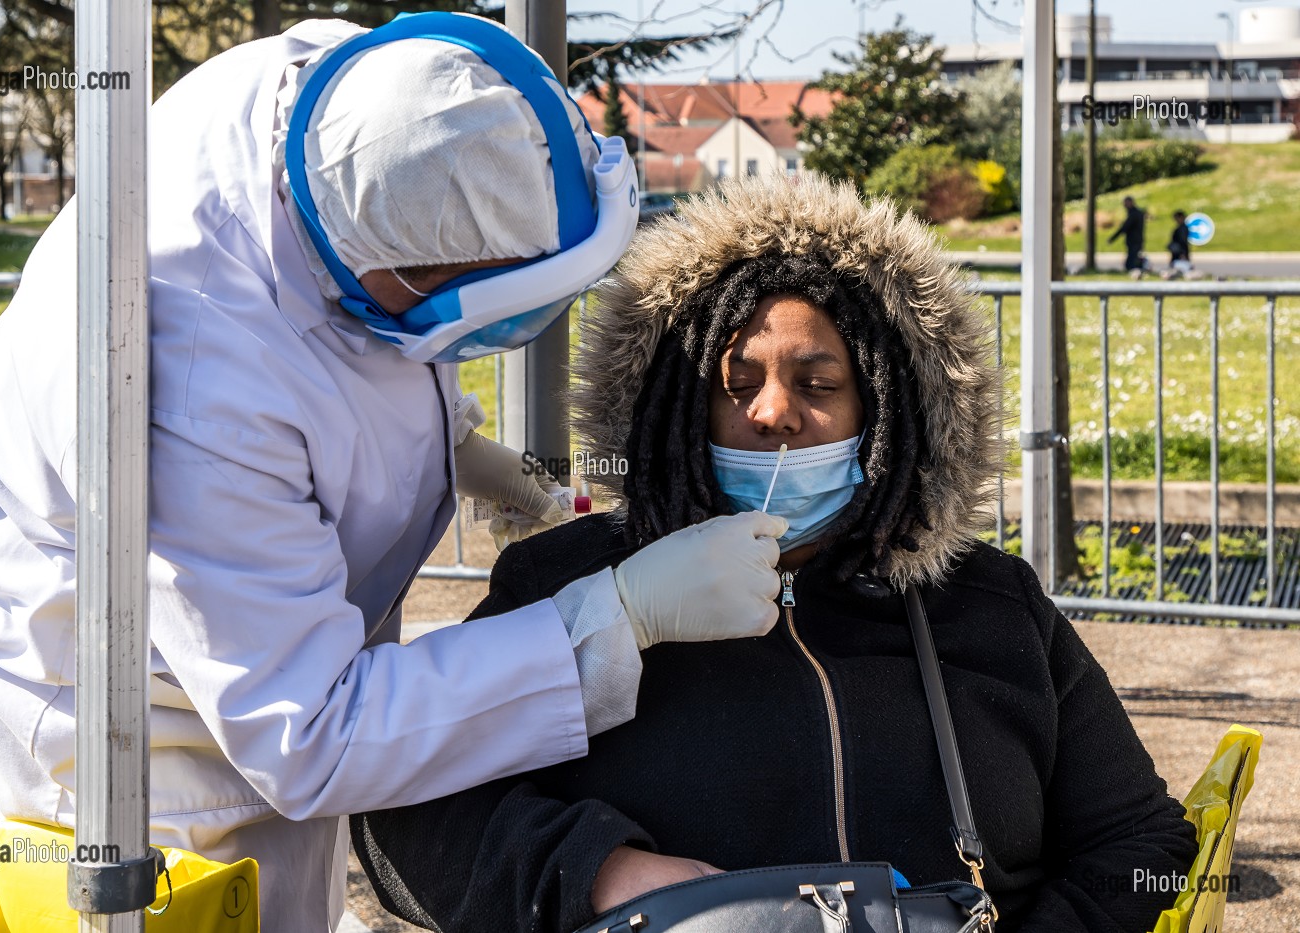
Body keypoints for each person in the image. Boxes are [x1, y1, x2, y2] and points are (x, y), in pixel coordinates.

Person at [0, 13, 789, 930]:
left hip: (247, 591)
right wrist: (619, 616)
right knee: (216, 906)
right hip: (137, 709)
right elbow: (309, 733)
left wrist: (472, 456)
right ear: (406, 279)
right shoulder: (193, 381)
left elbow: (373, 335)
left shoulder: (372, 106)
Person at [355, 175, 1198, 933]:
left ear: (889, 410)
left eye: (819, 384)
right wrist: (605, 874)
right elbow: (407, 808)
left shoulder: (993, 602)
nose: (773, 412)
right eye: (736, 383)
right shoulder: (565, 584)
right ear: (677, 406)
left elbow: (1140, 840)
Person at [1109, 195, 1148, 275]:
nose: (1124, 205)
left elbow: (1125, 227)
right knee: (1133, 258)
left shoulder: (1134, 214)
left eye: (1126, 203)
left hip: (1134, 240)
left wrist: (1113, 238)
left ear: (1131, 202)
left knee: (1131, 261)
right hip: (1137, 239)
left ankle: (1135, 272)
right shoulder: (1137, 212)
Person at [1166, 210, 1193, 278]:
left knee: (1180, 269)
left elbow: (1183, 241)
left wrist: (1183, 253)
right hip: (1179, 252)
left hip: (1179, 253)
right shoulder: (1182, 228)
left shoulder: (1182, 229)